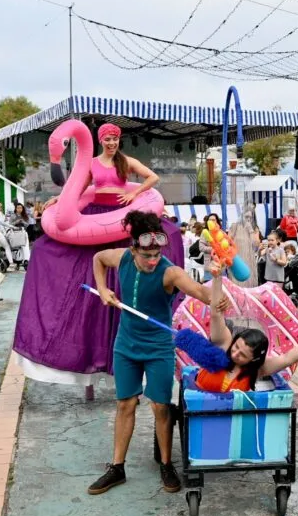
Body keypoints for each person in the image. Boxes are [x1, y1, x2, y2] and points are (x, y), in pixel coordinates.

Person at [13, 123, 182, 393]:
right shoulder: (91, 164)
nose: (112, 143)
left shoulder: (126, 162)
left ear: (119, 141)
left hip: (123, 215)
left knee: (162, 241)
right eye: (108, 139)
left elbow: (152, 178)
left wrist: (134, 193)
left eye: (115, 139)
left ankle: (135, 360)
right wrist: (58, 199)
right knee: (55, 252)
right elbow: (78, 188)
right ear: (101, 141)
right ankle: (88, 359)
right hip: (95, 216)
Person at [87, 211, 222, 496]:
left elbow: (199, 291)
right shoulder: (122, 257)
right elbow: (98, 258)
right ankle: (117, 467)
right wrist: (102, 289)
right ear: (134, 248)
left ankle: (165, 463)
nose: (152, 260)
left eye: (156, 253)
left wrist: (217, 286)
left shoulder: (170, 271)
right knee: (125, 404)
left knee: (161, 407)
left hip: (159, 346)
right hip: (125, 344)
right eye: (146, 254)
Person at [196, 255, 298, 393]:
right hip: (202, 409)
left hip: (231, 414)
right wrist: (217, 277)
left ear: (254, 359)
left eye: (243, 355)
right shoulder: (224, 345)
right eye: (237, 346)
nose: (235, 354)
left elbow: (288, 358)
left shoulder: (257, 369)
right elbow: (216, 313)